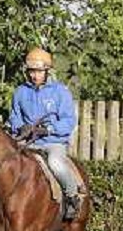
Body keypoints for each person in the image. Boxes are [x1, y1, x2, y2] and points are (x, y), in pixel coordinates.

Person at [8, 47, 80, 218]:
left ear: (47, 71)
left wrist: (48, 129)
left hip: (53, 143)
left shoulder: (60, 92)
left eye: (38, 71)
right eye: (31, 71)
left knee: (55, 163)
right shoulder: (20, 92)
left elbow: (69, 121)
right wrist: (20, 127)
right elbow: (14, 117)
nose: (34, 75)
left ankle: (72, 197)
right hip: (27, 143)